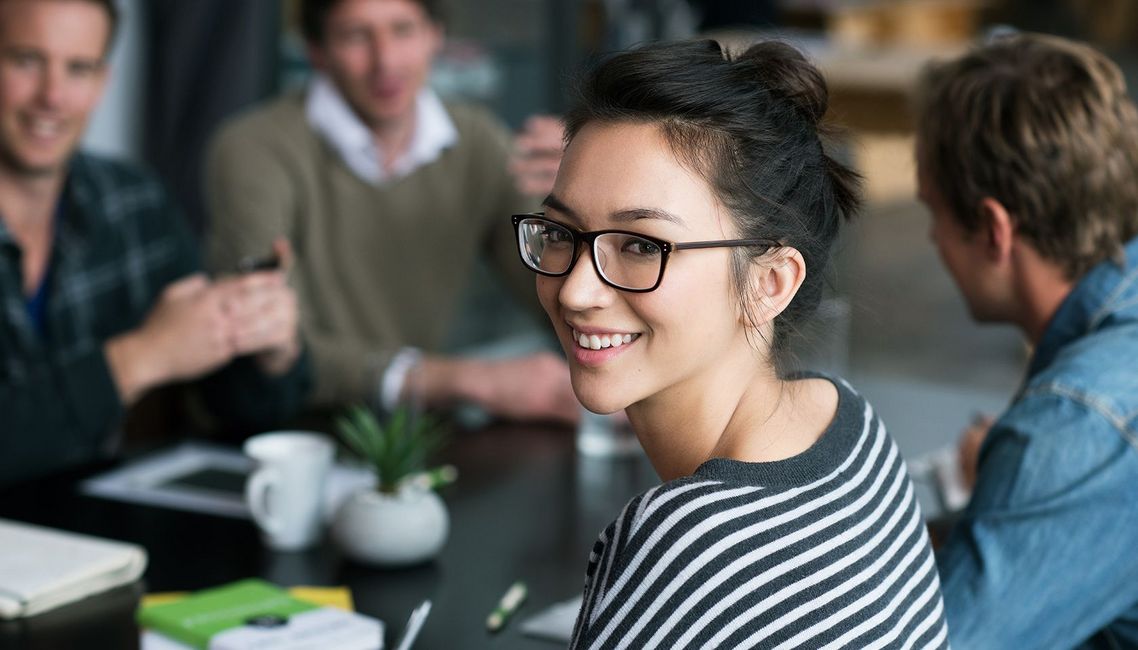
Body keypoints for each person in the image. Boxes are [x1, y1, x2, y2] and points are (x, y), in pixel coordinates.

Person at [515, 39, 948, 647]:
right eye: (561, 231)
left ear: (771, 282)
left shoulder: (686, 543)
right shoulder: (849, 424)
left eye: (641, 246)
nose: (576, 291)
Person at [205, 0, 578, 423]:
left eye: (403, 30)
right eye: (355, 35)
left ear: (435, 35)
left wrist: (581, 209)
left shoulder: (477, 141)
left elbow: (556, 300)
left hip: (409, 434)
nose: (385, 61)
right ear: (317, 51)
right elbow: (273, 343)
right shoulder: (254, 148)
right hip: (285, 432)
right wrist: (470, 379)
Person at [0, 0, 308, 484]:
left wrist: (266, 347)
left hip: (96, 536)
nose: (52, 96)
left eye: (79, 68)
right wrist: (139, 357)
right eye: (26, 61)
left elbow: (235, 409)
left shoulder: (134, 202)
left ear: (103, 83)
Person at [915, 33, 1138, 648]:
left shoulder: (1074, 424)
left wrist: (1025, 472)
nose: (932, 238)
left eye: (933, 213)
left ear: (993, 229)